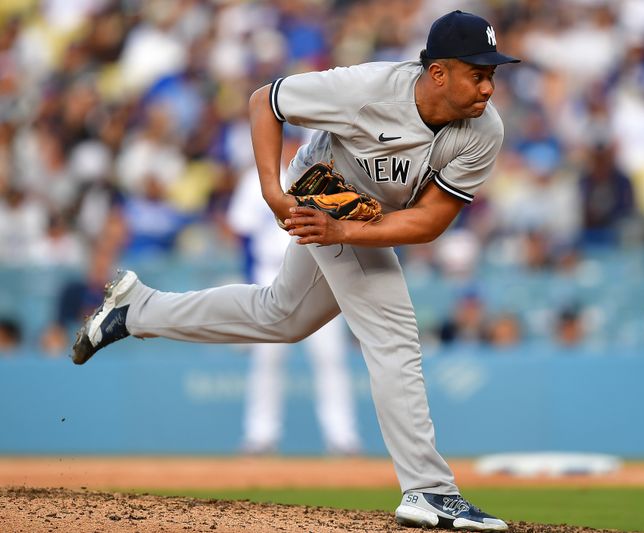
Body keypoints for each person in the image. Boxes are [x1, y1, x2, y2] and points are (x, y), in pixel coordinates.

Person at [71, 10, 518, 531]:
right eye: (478, 73)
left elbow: (428, 222)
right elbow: (267, 100)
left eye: (492, 74)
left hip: (355, 220)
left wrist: (344, 233)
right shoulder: (368, 89)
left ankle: (136, 310)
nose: (489, 86)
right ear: (438, 72)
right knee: (393, 334)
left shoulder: (484, 130)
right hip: (320, 188)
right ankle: (428, 489)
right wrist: (272, 192)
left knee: (280, 316)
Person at [228, 162, 361, 456]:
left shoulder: (322, 172)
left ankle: (342, 437)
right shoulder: (254, 179)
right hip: (269, 273)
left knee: (330, 359)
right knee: (267, 359)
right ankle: (260, 435)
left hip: (320, 274)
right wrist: (251, 280)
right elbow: (244, 235)